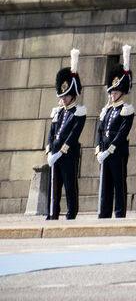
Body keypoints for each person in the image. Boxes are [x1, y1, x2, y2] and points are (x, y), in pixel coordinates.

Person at [45, 51, 85, 221]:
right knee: (53, 185)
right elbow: (51, 132)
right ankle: (52, 212)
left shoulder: (78, 112)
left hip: (68, 154)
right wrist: (49, 150)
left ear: (72, 95)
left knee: (69, 185)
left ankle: (71, 212)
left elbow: (73, 135)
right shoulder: (58, 112)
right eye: (61, 95)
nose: (63, 98)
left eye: (66, 95)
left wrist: (61, 151)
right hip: (54, 153)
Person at [95, 49, 134, 219]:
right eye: (111, 92)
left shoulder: (126, 110)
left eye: (116, 92)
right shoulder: (107, 110)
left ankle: (119, 213)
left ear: (122, 92)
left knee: (119, 183)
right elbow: (100, 130)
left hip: (117, 152)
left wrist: (109, 149)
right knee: (105, 184)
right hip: (104, 151)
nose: (113, 95)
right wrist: (98, 148)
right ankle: (104, 212)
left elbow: (122, 132)